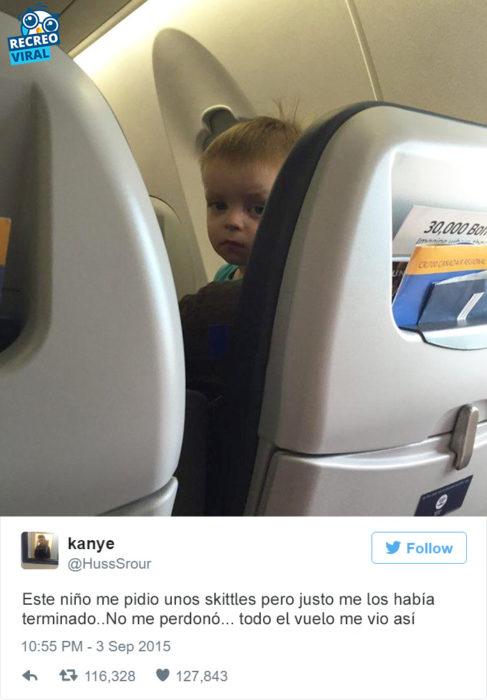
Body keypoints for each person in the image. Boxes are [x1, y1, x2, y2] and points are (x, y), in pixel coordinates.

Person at [200, 115, 302, 281]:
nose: (232, 222)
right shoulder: (224, 275)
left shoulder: (286, 285)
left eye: (258, 209)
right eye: (219, 205)